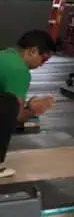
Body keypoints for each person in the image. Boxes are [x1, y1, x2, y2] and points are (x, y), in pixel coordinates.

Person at [0, 30, 58, 179]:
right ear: (32, 51)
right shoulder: (19, 70)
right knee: (10, 104)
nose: (42, 65)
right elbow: (17, 116)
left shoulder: (7, 54)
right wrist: (32, 110)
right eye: (43, 59)